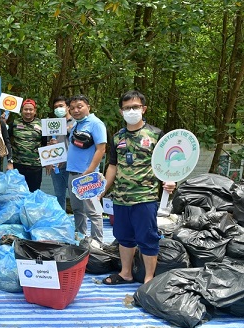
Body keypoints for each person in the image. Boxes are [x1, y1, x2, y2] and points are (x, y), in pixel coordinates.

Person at [102, 91, 176, 285]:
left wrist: (170, 182)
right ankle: (125, 273)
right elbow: (112, 166)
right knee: (124, 237)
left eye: (135, 107)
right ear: (121, 111)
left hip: (145, 197)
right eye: (127, 108)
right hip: (120, 198)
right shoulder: (117, 137)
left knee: (147, 237)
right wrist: (102, 189)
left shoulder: (156, 134)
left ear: (144, 109)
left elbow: (167, 163)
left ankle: (148, 280)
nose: (131, 111)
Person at [66, 94, 107, 242]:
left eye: (79, 106)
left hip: (87, 174)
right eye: (72, 108)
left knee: (93, 211)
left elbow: (101, 149)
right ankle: (81, 238)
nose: (76, 110)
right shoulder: (77, 124)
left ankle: (98, 242)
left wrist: (90, 170)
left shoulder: (96, 123)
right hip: (73, 173)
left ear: (88, 107)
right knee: (77, 209)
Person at [8, 98, 47, 192]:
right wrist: (10, 161)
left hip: (35, 166)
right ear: (22, 110)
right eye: (26, 109)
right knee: (18, 193)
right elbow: (6, 141)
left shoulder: (42, 124)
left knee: (34, 193)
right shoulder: (14, 123)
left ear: (35, 111)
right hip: (18, 165)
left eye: (31, 109)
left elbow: (45, 143)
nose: (28, 112)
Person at [45, 96, 75, 210]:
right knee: (59, 195)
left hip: (73, 165)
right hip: (56, 164)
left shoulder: (76, 122)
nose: (58, 109)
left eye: (61, 106)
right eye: (55, 107)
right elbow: (47, 144)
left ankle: (79, 223)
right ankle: (61, 221)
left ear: (68, 107)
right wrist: (49, 161)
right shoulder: (52, 123)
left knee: (75, 195)